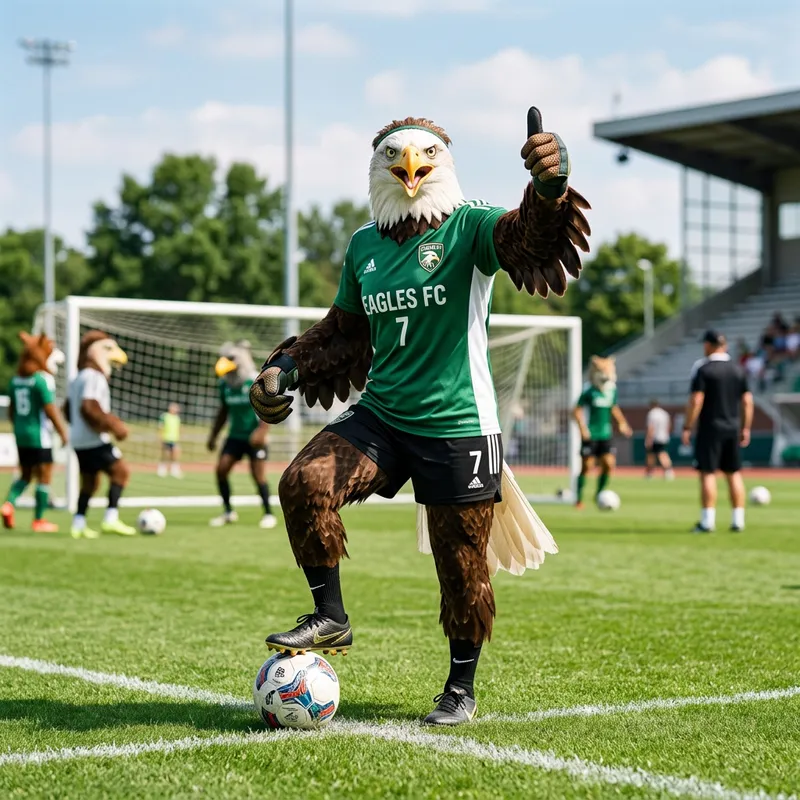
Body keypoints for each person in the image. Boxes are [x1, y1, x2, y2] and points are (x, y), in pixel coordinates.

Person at [249, 114, 590, 725]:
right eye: (396, 156)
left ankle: (460, 689)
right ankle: (330, 616)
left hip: (459, 422)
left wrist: (549, 191)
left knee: (460, 563)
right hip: (382, 416)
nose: (410, 166)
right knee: (304, 483)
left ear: (444, 162)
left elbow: (528, 242)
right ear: (377, 167)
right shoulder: (363, 246)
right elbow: (344, 336)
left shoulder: (471, 226)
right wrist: (286, 370)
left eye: (425, 154)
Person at [66, 330, 137, 538]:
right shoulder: (94, 376)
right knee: (121, 472)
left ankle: (78, 524)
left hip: (78, 439)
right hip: (93, 439)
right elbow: (89, 407)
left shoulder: (77, 377)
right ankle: (110, 519)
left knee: (90, 481)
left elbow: (68, 408)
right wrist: (114, 426)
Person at [682, 330, 753, 533]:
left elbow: (696, 400)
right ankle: (738, 520)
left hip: (710, 429)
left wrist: (687, 426)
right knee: (734, 473)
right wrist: (745, 427)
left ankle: (707, 521)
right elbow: (747, 402)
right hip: (732, 428)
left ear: (709, 345)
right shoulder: (738, 370)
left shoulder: (704, 370)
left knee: (708, 473)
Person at [2, 332, 68, 533]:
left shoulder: (14, 381)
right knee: (45, 474)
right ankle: (39, 520)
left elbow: (11, 411)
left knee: (25, 474)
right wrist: (62, 432)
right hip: (39, 435)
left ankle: (8, 504)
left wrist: (19, 428)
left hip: (20, 434)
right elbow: (50, 409)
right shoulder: (40, 380)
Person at [207, 341, 276, 530]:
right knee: (221, 470)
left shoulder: (254, 381)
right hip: (235, 436)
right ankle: (228, 511)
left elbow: (268, 407)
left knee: (258, 475)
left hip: (254, 436)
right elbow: (223, 412)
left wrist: (262, 431)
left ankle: (268, 514)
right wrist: (213, 436)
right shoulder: (224, 385)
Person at [573, 356, 632, 508]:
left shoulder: (611, 390)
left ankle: (599, 493)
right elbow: (576, 411)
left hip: (606, 434)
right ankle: (578, 499)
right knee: (587, 466)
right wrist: (582, 429)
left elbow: (613, 407)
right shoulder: (589, 390)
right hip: (591, 434)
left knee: (609, 463)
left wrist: (622, 423)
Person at [645, 399, 674, 480]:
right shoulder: (664, 413)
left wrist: (649, 438)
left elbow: (651, 428)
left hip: (655, 437)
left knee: (653, 455)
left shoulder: (652, 414)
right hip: (664, 437)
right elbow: (669, 425)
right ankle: (668, 471)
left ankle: (650, 473)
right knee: (662, 453)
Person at [157, 402, 182, 478]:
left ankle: (174, 469)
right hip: (166, 438)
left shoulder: (177, 418)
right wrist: (160, 438)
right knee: (165, 454)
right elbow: (161, 427)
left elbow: (179, 428)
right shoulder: (165, 416)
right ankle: (162, 468)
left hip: (174, 439)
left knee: (175, 453)